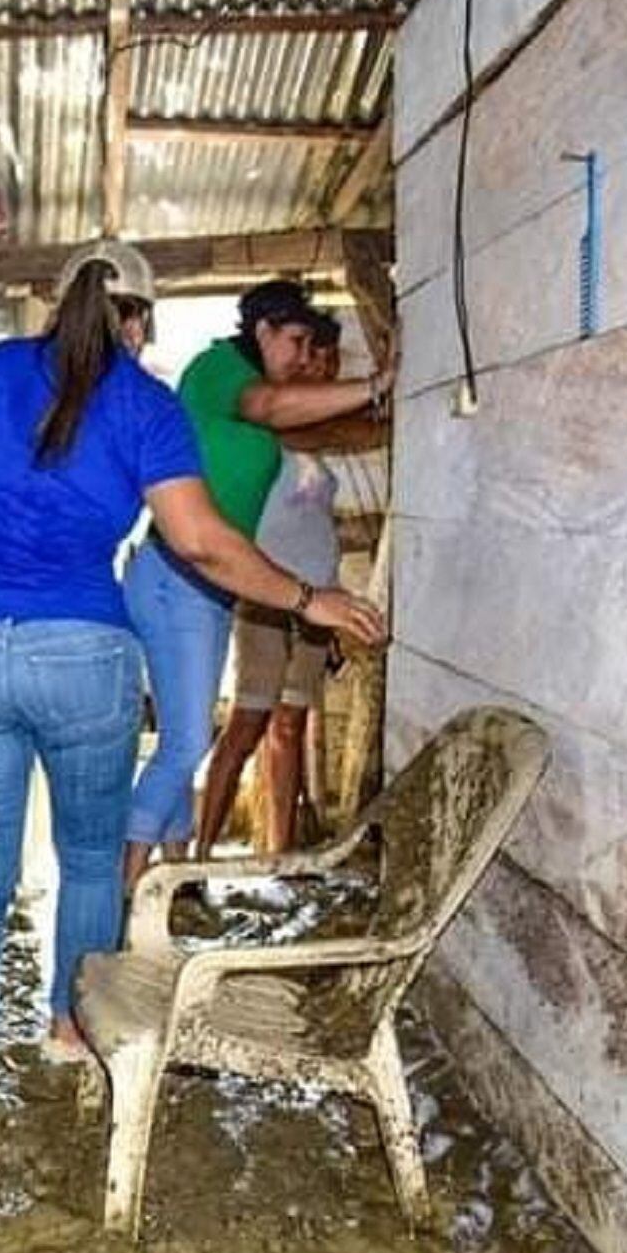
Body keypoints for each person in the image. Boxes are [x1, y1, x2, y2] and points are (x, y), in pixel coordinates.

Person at [0, 242, 386, 1103]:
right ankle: (66, 1035)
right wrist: (309, 598)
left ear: (62, 306)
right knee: (90, 863)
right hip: (84, 652)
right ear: (141, 320)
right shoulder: (148, 404)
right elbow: (199, 540)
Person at [121, 280, 394, 889]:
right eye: (295, 341)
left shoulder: (256, 398)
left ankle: (176, 875)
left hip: (210, 586)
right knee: (189, 741)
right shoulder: (220, 371)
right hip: (178, 575)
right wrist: (376, 385)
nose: (304, 357)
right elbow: (272, 409)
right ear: (263, 330)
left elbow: (311, 428)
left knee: (182, 740)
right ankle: (133, 887)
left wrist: (389, 407)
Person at [194, 310, 384, 858]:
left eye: (326, 357)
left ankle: (278, 858)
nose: (317, 365)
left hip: (318, 596)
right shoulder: (270, 416)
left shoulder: (310, 431)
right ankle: (201, 854)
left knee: (290, 725)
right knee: (248, 722)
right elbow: (328, 428)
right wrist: (387, 412)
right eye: (310, 353)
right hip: (267, 594)